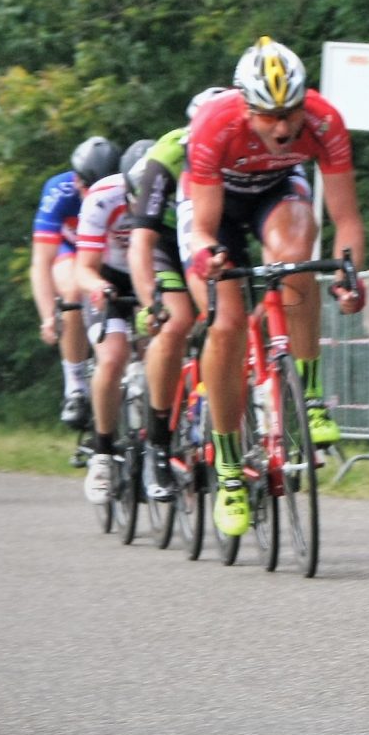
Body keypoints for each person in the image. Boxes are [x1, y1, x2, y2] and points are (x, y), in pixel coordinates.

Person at [183, 40, 369, 539]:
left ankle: (310, 396)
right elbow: (202, 228)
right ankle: (227, 469)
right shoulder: (215, 124)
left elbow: (347, 220)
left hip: (277, 191)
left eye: (291, 113)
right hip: (216, 207)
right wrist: (208, 257)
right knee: (225, 325)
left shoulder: (325, 122)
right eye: (269, 116)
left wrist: (349, 275)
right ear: (246, 107)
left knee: (297, 259)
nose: (283, 128)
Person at [128, 100, 215, 483]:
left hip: (209, 240)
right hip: (164, 241)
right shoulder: (169, 154)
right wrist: (151, 302)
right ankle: (158, 440)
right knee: (176, 322)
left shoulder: (240, 154)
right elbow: (140, 244)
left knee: (233, 323)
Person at [69, 141, 153, 504]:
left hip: (153, 274)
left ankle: (162, 446)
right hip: (109, 278)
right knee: (114, 356)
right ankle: (102, 453)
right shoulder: (103, 197)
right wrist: (99, 288)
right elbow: (83, 269)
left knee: (160, 357)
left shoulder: (175, 195)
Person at [32, 137, 117, 446]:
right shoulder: (60, 191)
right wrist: (47, 316)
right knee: (73, 291)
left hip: (108, 251)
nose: (90, 193)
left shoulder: (122, 188)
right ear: (76, 180)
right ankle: (76, 386)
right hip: (70, 250)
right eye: (86, 186)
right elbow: (41, 262)